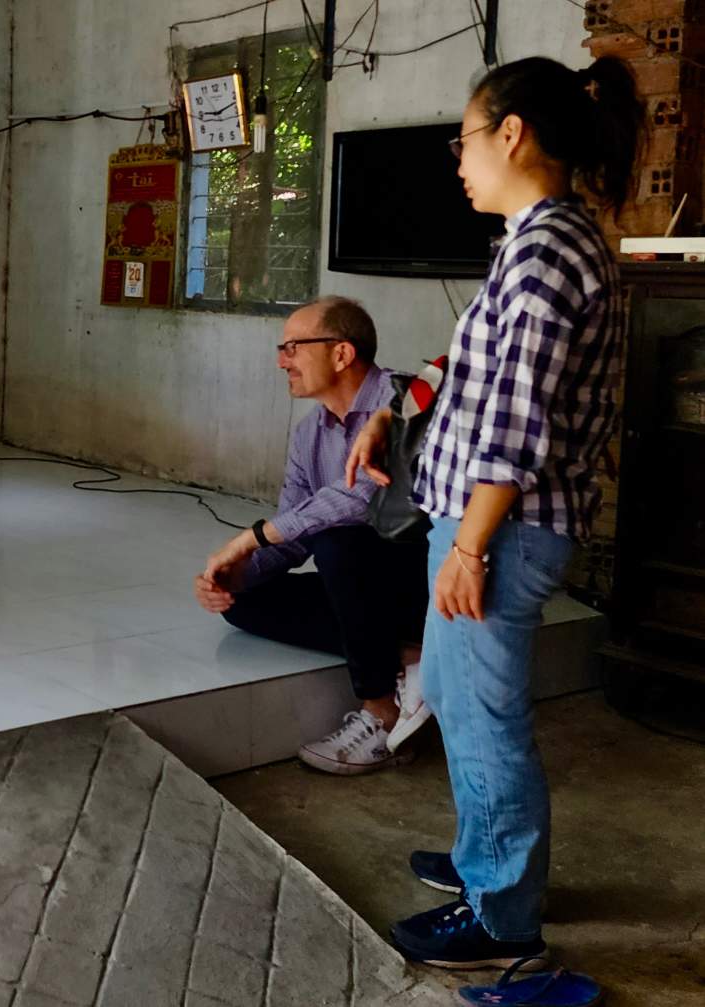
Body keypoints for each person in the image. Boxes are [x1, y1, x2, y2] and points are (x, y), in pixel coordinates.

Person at [348, 56, 640, 970]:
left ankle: (501, 912)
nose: (458, 159)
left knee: (483, 716)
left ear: (510, 132)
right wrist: (398, 406)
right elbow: (478, 367)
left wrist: (468, 546)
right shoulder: (531, 238)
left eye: (463, 138)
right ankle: (486, 858)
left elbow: (517, 419)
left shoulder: (550, 248)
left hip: (502, 528)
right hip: (483, 519)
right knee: (455, 685)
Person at [194, 296, 431, 774]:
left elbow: (358, 499)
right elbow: (295, 530)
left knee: (340, 540)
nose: (283, 360)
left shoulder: (403, 400)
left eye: (293, 347)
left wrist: (252, 536)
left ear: (341, 354)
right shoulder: (309, 434)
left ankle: (381, 714)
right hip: (363, 584)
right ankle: (413, 657)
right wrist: (240, 572)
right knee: (245, 600)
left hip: (429, 578)